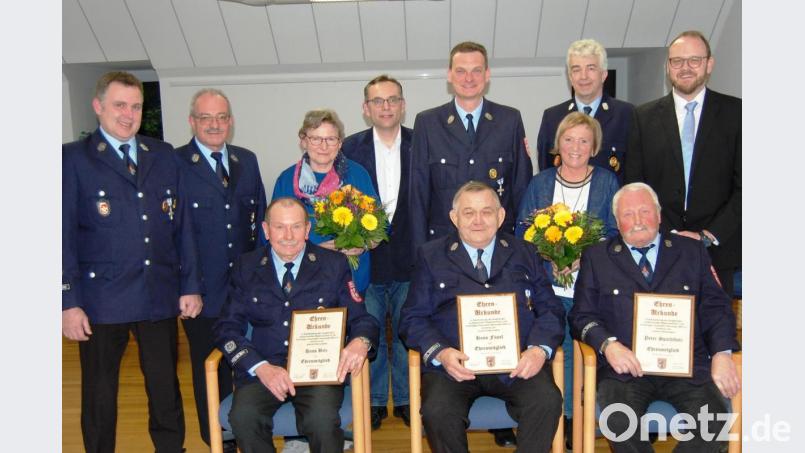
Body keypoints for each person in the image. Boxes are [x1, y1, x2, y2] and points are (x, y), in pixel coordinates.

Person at [62, 71, 203, 453]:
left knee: (164, 385)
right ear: (98, 107)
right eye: (119, 105)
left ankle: (172, 449)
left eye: (136, 106)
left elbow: (181, 225)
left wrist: (189, 284)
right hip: (100, 299)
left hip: (156, 292)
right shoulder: (72, 159)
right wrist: (68, 302)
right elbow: (60, 236)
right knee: (100, 391)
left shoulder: (161, 155)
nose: (128, 114)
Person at [569, 183, 741, 452]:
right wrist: (608, 345)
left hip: (688, 369)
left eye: (644, 211)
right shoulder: (597, 257)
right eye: (628, 214)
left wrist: (721, 352)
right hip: (624, 370)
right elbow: (581, 315)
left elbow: (716, 307)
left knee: (715, 423)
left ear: (659, 215)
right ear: (617, 221)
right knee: (619, 421)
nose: (637, 221)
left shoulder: (691, 251)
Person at [400, 181, 564, 453]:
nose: (478, 220)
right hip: (453, 367)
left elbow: (551, 309)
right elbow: (412, 318)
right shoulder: (431, 256)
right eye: (468, 213)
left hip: (518, 364)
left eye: (487, 212)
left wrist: (539, 350)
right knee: (437, 411)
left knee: (546, 400)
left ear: (500, 217)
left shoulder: (525, 252)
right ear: (454, 218)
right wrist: (441, 353)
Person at [214, 197, 380, 453]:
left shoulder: (333, 264)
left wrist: (361, 341)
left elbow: (362, 319)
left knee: (321, 421)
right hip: (264, 368)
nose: (288, 235)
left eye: (296, 226)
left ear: (307, 229)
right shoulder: (245, 267)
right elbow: (226, 327)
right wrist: (259, 367)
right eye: (280, 227)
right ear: (266, 230)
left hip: (318, 372)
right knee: (244, 418)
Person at [516, 111, 619, 448]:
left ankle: (576, 419)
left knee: (584, 357)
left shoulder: (606, 182)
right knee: (546, 351)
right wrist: (547, 256)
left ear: (595, 147)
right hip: (545, 287)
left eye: (584, 141)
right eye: (569, 139)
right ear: (558, 143)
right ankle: (545, 418)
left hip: (591, 288)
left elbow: (615, 236)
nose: (576, 147)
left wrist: (581, 258)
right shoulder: (541, 183)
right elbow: (523, 232)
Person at [175, 88, 267, 449]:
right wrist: (187, 286)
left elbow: (257, 219)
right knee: (208, 368)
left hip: (245, 288)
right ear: (192, 121)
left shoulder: (247, 159)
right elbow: (173, 230)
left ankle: (247, 429)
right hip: (202, 291)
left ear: (231, 121)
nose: (215, 124)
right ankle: (216, 438)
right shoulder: (175, 162)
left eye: (221, 117)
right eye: (206, 117)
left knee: (248, 361)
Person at [625, 30, 741, 297]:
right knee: (662, 334)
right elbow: (635, 186)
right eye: (677, 61)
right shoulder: (642, 117)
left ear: (709, 64)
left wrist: (708, 235)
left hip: (718, 251)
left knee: (714, 333)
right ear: (668, 67)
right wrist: (668, 233)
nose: (685, 68)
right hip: (659, 249)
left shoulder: (738, 114)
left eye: (694, 60)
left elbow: (744, 188)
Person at [408, 41, 533, 258]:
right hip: (443, 247)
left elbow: (521, 187)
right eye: (461, 71)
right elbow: (418, 193)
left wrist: (522, 247)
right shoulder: (428, 123)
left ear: (487, 75)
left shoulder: (509, 120)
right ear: (449, 75)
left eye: (476, 71)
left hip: (500, 246)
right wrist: (420, 253)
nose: (469, 78)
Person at [341, 75, 413, 430]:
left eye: (392, 99)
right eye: (378, 101)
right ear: (365, 109)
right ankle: (369, 402)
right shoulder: (347, 150)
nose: (386, 106)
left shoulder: (423, 144)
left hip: (411, 260)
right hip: (364, 262)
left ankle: (403, 399)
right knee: (366, 336)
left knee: (404, 334)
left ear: (403, 105)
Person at [272, 109, 378, 294]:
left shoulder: (358, 174)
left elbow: (380, 228)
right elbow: (273, 235)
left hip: (351, 280)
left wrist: (362, 245)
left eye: (330, 139)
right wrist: (313, 250)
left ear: (340, 143)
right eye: (316, 139)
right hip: (304, 282)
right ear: (303, 141)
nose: (323, 146)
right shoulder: (287, 180)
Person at [536, 39, 634, 182]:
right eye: (576, 69)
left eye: (591, 68)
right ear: (570, 76)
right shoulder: (552, 117)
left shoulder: (627, 115)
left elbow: (634, 173)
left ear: (604, 74)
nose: (583, 76)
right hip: (565, 203)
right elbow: (547, 173)